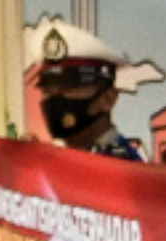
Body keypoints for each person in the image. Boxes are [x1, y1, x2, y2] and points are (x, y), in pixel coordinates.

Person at [30, 20, 146, 160]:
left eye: (68, 86)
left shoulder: (124, 167)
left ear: (108, 99)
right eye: (47, 89)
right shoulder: (48, 161)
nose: (55, 98)